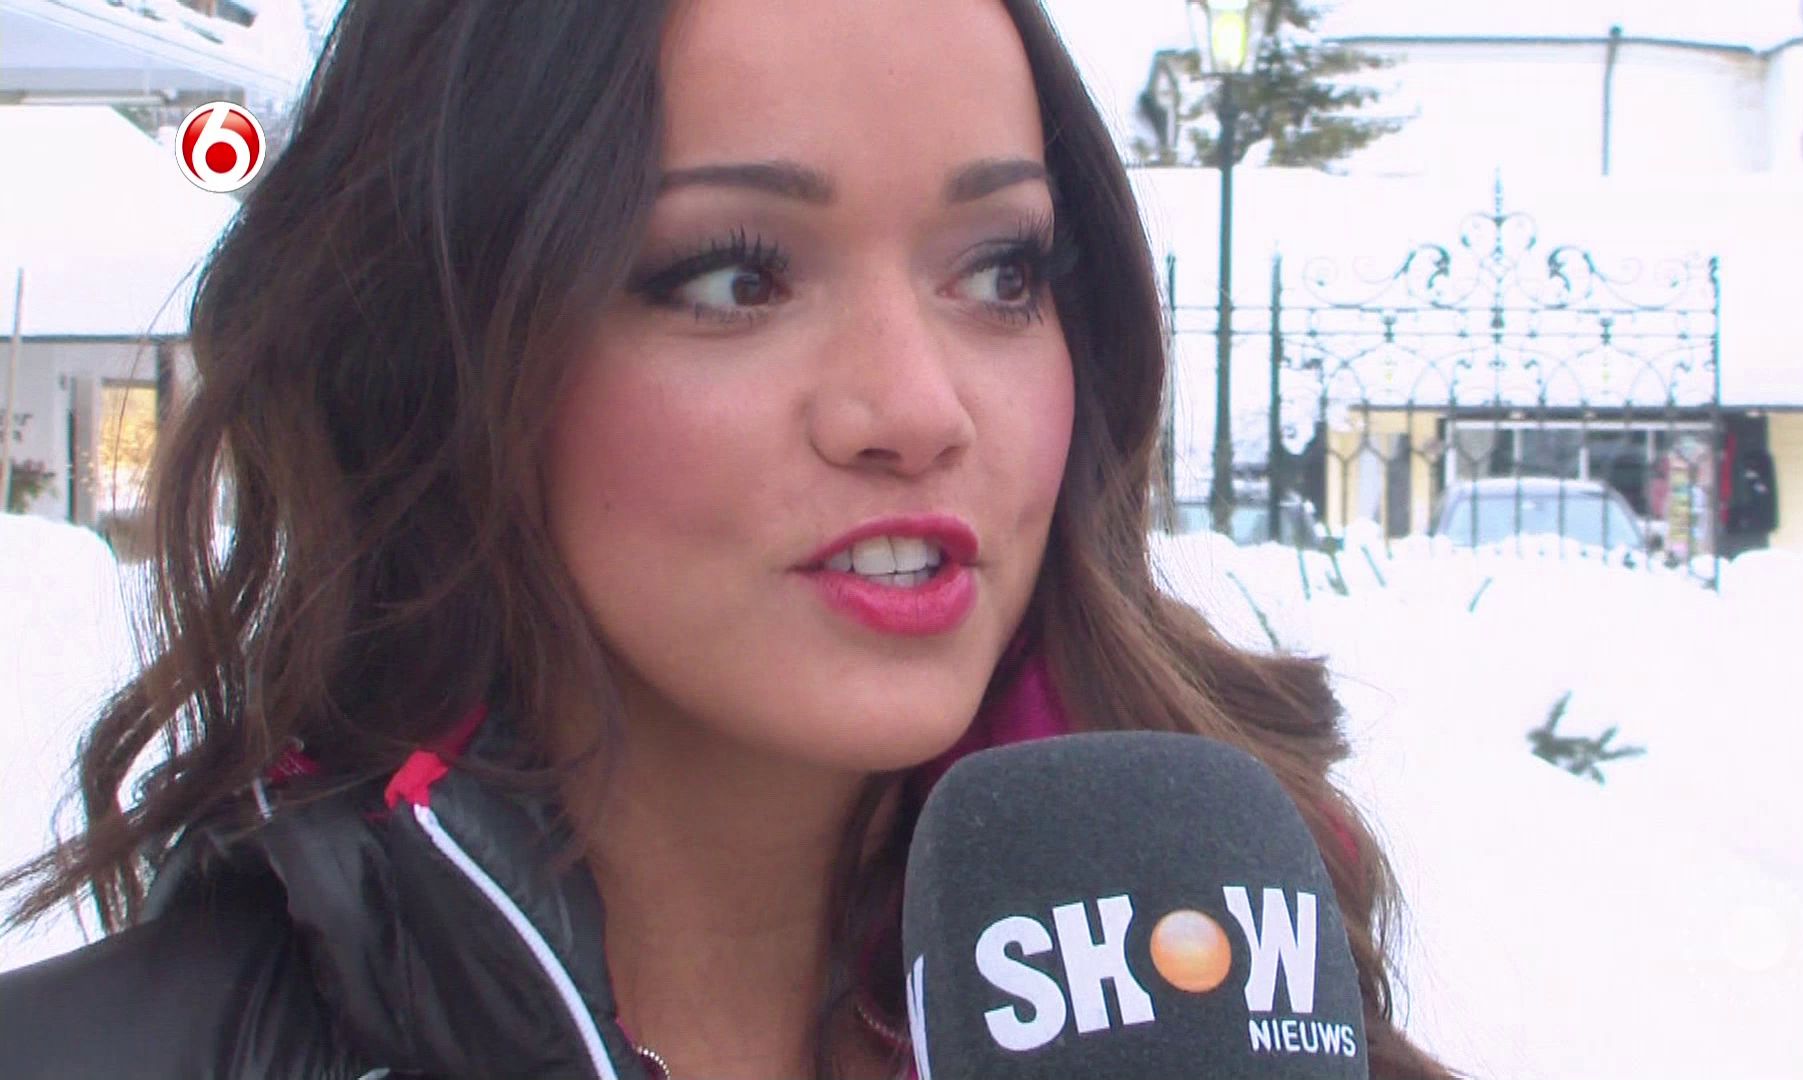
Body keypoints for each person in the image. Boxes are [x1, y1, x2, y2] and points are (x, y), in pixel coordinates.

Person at [0, 2, 1454, 1078]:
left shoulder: (1232, 983)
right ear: (438, 350)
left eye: (1001, 271)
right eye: (733, 279)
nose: (916, 409)